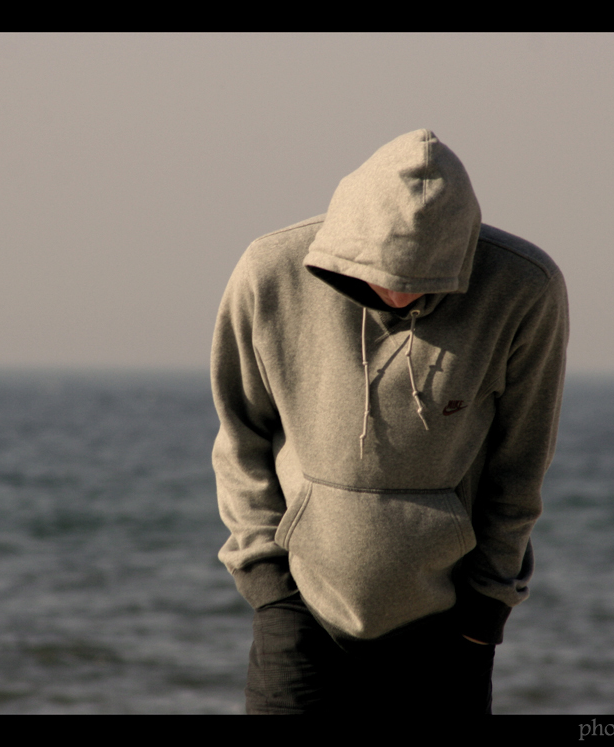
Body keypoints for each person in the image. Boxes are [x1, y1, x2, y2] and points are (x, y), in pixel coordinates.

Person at [210, 129, 568, 714]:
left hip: (448, 629)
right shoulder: (268, 272)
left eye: (424, 279)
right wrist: (270, 592)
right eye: (386, 272)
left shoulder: (524, 289)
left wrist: (485, 614)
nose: (401, 293)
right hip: (300, 621)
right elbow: (239, 434)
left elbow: (521, 464)